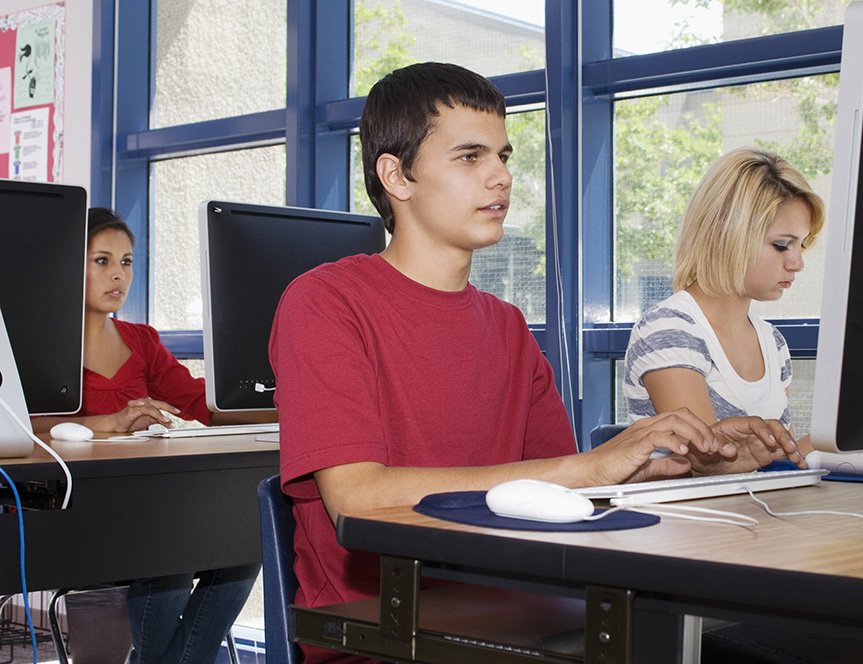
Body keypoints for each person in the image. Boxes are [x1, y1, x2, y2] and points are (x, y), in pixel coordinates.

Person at [269, 62, 801, 664]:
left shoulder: (507, 327)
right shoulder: (324, 302)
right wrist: (587, 469)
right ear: (397, 175)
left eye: (503, 155)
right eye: (470, 157)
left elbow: (563, 486)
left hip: (526, 617)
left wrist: (696, 463)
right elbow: (357, 498)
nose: (501, 177)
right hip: (389, 635)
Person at [35, 207, 259, 664]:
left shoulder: (142, 341)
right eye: (102, 261)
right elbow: (22, 428)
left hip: (143, 510)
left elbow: (202, 405)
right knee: (169, 555)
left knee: (244, 542)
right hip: (76, 512)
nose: (118, 274)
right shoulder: (38, 346)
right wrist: (110, 423)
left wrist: (276, 398)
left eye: (127, 261)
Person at [623, 148, 824, 475]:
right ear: (727, 234)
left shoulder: (773, 343)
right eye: (781, 245)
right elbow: (709, 463)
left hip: (759, 516)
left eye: (801, 245)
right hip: (693, 523)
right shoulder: (669, 330)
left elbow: (773, 468)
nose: (797, 263)